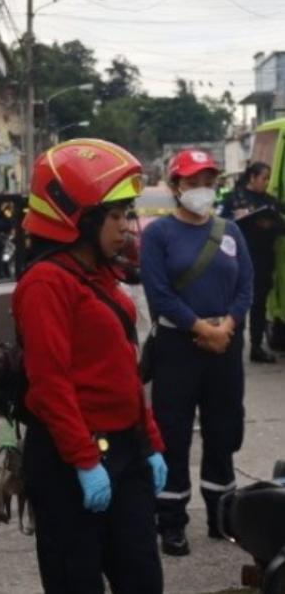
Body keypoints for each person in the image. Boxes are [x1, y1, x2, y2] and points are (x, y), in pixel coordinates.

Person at [14, 139, 167, 594]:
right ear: (76, 218)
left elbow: (123, 369)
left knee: (143, 579)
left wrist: (150, 441)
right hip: (70, 460)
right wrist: (84, 460)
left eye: (127, 213)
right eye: (114, 216)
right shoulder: (45, 283)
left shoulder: (101, 275)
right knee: (75, 582)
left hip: (126, 451)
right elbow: (49, 384)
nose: (125, 227)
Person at [140, 148, 252, 557]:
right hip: (178, 345)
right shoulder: (158, 235)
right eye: (193, 182)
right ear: (175, 186)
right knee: (172, 435)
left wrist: (228, 326)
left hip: (225, 342)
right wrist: (200, 327)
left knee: (224, 431)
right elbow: (159, 293)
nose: (202, 189)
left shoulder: (230, 232)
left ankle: (223, 517)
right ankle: (171, 523)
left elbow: (246, 287)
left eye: (209, 181)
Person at [221, 161, 283, 363]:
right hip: (238, 259)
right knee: (235, 304)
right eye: (264, 178)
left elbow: (281, 226)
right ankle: (228, 342)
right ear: (252, 178)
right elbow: (220, 223)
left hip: (263, 260)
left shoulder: (270, 202)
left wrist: (270, 223)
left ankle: (256, 346)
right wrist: (238, 217)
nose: (266, 182)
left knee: (259, 305)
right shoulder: (235, 198)